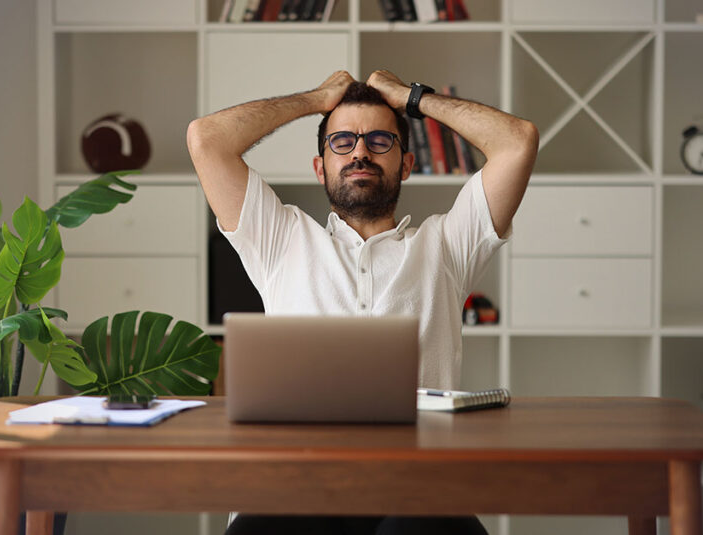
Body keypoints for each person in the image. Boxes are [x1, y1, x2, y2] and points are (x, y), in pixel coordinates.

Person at [186, 70, 538, 535]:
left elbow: (519, 141)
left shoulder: (448, 245)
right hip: (296, 489)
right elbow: (205, 138)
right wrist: (315, 99)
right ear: (320, 167)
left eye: (378, 140)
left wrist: (411, 99)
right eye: (342, 141)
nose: (360, 152)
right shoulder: (280, 237)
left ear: (406, 164)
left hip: (414, 491)